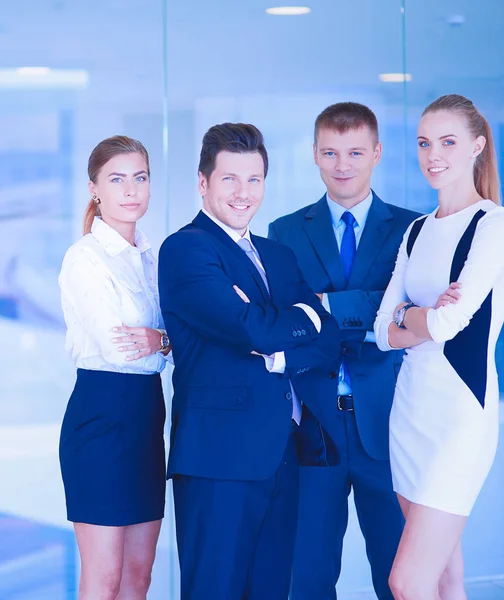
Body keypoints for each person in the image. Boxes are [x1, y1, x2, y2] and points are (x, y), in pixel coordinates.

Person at [158, 122, 341, 600]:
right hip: (218, 458)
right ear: (203, 182)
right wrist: (296, 318)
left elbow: (328, 337)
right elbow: (247, 327)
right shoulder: (185, 249)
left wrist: (283, 339)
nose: (243, 193)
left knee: (271, 590)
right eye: (229, 179)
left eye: (254, 180)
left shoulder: (277, 256)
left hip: (284, 453)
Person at [269, 102, 420, 599]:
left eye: (355, 152)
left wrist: (326, 305)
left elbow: (410, 310)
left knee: (399, 576)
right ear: (314, 154)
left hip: (389, 424)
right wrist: (375, 312)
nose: (343, 164)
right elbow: (290, 318)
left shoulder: (411, 229)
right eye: (330, 152)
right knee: (307, 577)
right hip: (313, 424)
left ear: (376, 153)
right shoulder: (286, 231)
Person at [374, 94, 504, 600]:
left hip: (460, 416)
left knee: (406, 580)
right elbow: (380, 332)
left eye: (448, 142)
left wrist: (410, 315)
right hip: (411, 412)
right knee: (443, 578)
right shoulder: (416, 231)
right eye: (424, 143)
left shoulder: (494, 225)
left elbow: (452, 323)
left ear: (477, 145)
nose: (433, 154)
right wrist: (423, 315)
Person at [58, 135, 171, 600]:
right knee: (104, 578)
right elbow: (121, 348)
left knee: (139, 574)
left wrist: (163, 341)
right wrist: (167, 344)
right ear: (94, 189)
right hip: (100, 417)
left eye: (140, 178)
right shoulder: (85, 258)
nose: (131, 190)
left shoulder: (151, 257)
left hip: (147, 417)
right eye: (117, 179)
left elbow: (168, 342)